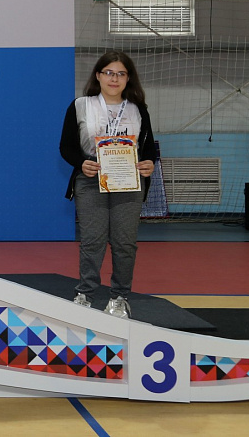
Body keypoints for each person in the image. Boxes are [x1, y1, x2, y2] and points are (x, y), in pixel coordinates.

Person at [59, 50, 157, 319]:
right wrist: (81, 163)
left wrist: (149, 163)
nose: (115, 78)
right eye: (109, 73)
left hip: (128, 180)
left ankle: (119, 298)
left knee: (124, 242)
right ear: (98, 75)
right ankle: (84, 295)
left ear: (128, 78)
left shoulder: (138, 109)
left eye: (121, 74)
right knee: (93, 240)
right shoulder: (80, 105)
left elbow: (149, 148)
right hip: (92, 178)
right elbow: (66, 147)